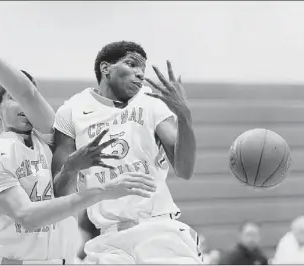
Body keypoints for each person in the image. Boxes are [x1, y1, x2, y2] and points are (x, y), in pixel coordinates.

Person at [0, 8, 156, 264]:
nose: (24, 105)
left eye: (27, 99)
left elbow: (29, 93)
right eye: (11, 97)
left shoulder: (50, 139)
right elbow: (27, 216)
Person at [51, 40, 201, 262]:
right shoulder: (70, 112)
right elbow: (59, 197)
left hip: (158, 230)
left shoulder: (151, 102)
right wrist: (72, 167)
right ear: (106, 68)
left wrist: (184, 117)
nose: (140, 73)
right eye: (131, 64)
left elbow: (185, 169)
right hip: (108, 240)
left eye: (143, 69)